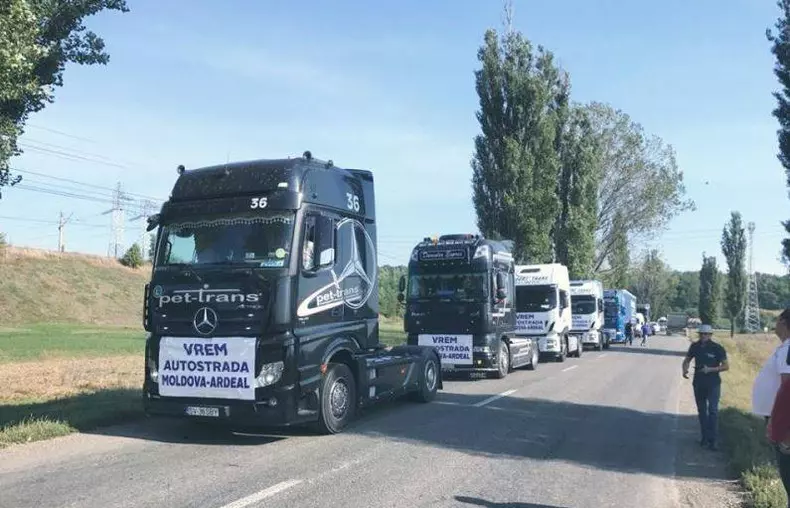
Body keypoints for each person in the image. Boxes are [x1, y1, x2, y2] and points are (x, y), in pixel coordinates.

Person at [751, 308, 790, 505]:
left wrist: (778, 423)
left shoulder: (789, 348)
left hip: (784, 422)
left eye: (777, 320)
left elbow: (788, 387)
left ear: (783, 322)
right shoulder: (786, 348)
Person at [682, 324, 729, 450]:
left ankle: (713, 440)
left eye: (706, 334)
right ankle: (704, 438)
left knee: (713, 411)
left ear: (710, 335)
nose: (703, 336)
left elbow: (726, 366)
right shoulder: (695, 346)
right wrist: (684, 370)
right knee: (702, 411)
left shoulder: (717, 348)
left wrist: (711, 369)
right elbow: (687, 360)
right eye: (701, 334)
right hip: (698, 382)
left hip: (713, 383)